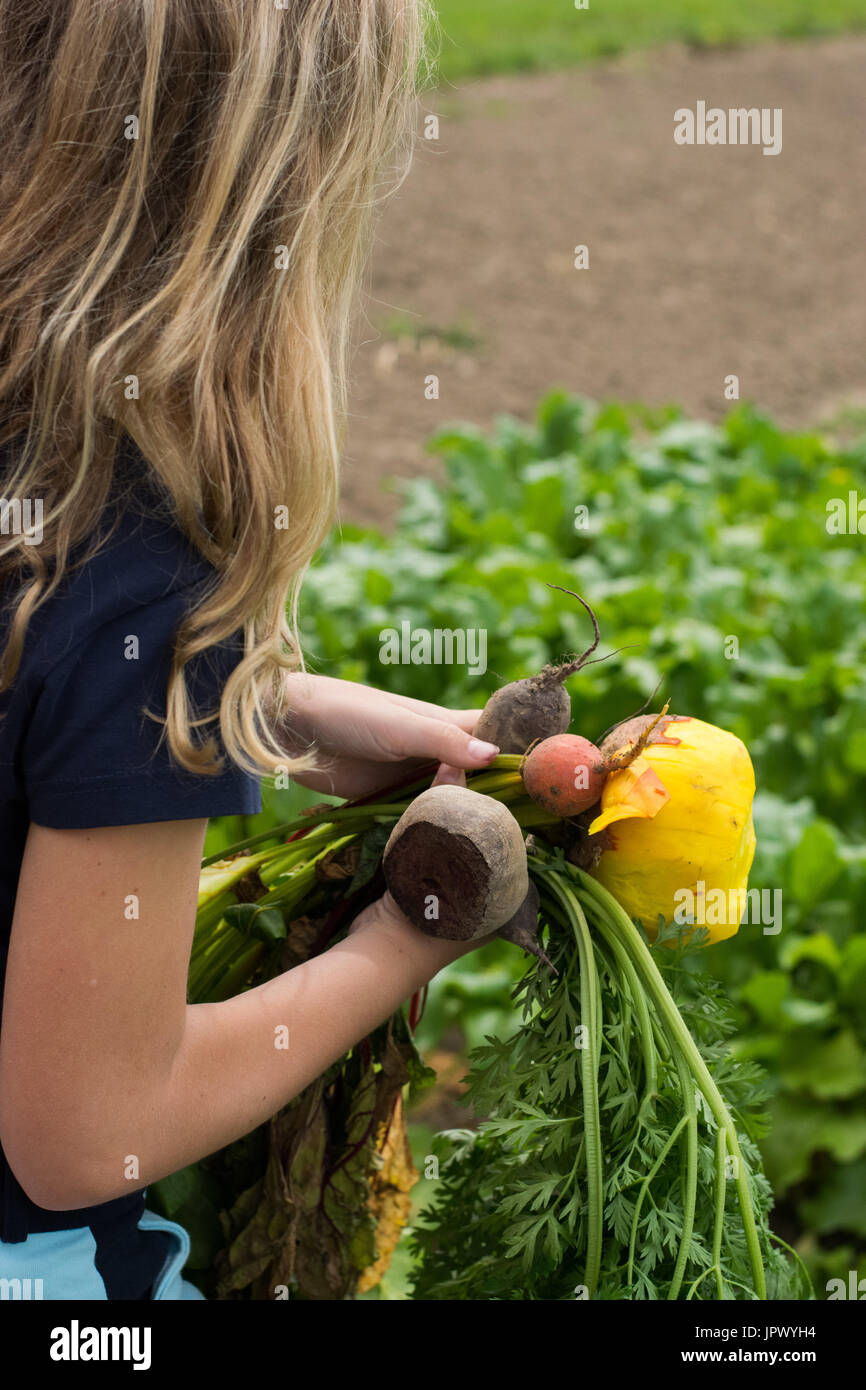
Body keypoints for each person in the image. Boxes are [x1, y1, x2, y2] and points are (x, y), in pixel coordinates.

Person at [0, 0, 498, 1300]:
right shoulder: (140, 564)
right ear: (288, 174)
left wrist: (264, 708)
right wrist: (406, 937)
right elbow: (83, 1126)